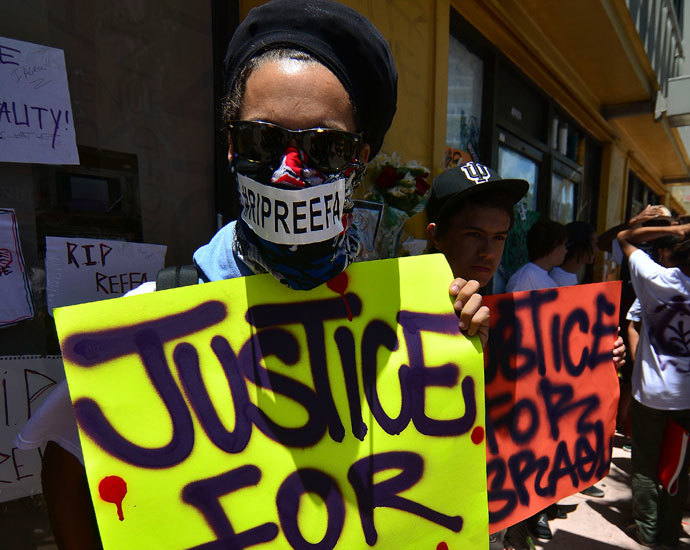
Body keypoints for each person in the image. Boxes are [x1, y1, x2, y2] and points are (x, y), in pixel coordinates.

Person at [16, 2, 489, 548]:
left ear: (359, 158)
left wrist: (463, 349)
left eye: (325, 147)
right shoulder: (159, 313)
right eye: (263, 142)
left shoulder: (406, 318)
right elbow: (66, 461)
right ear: (231, 145)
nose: (290, 173)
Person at [617, 221, 690, 549]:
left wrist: (677, 228)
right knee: (681, 467)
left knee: (645, 464)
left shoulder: (655, 278)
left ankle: (647, 530)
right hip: (687, 397)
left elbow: (624, 238)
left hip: (650, 392)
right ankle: (670, 532)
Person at [505, 218, 567, 293]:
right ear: (554, 246)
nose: (565, 251)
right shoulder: (525, 279)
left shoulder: (544, 278)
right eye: (563, 245)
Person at [550, 221, 598, 286]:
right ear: (580, 246)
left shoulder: (569, 275)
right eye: (594, 245)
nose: (597, 250)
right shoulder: (557, 278)